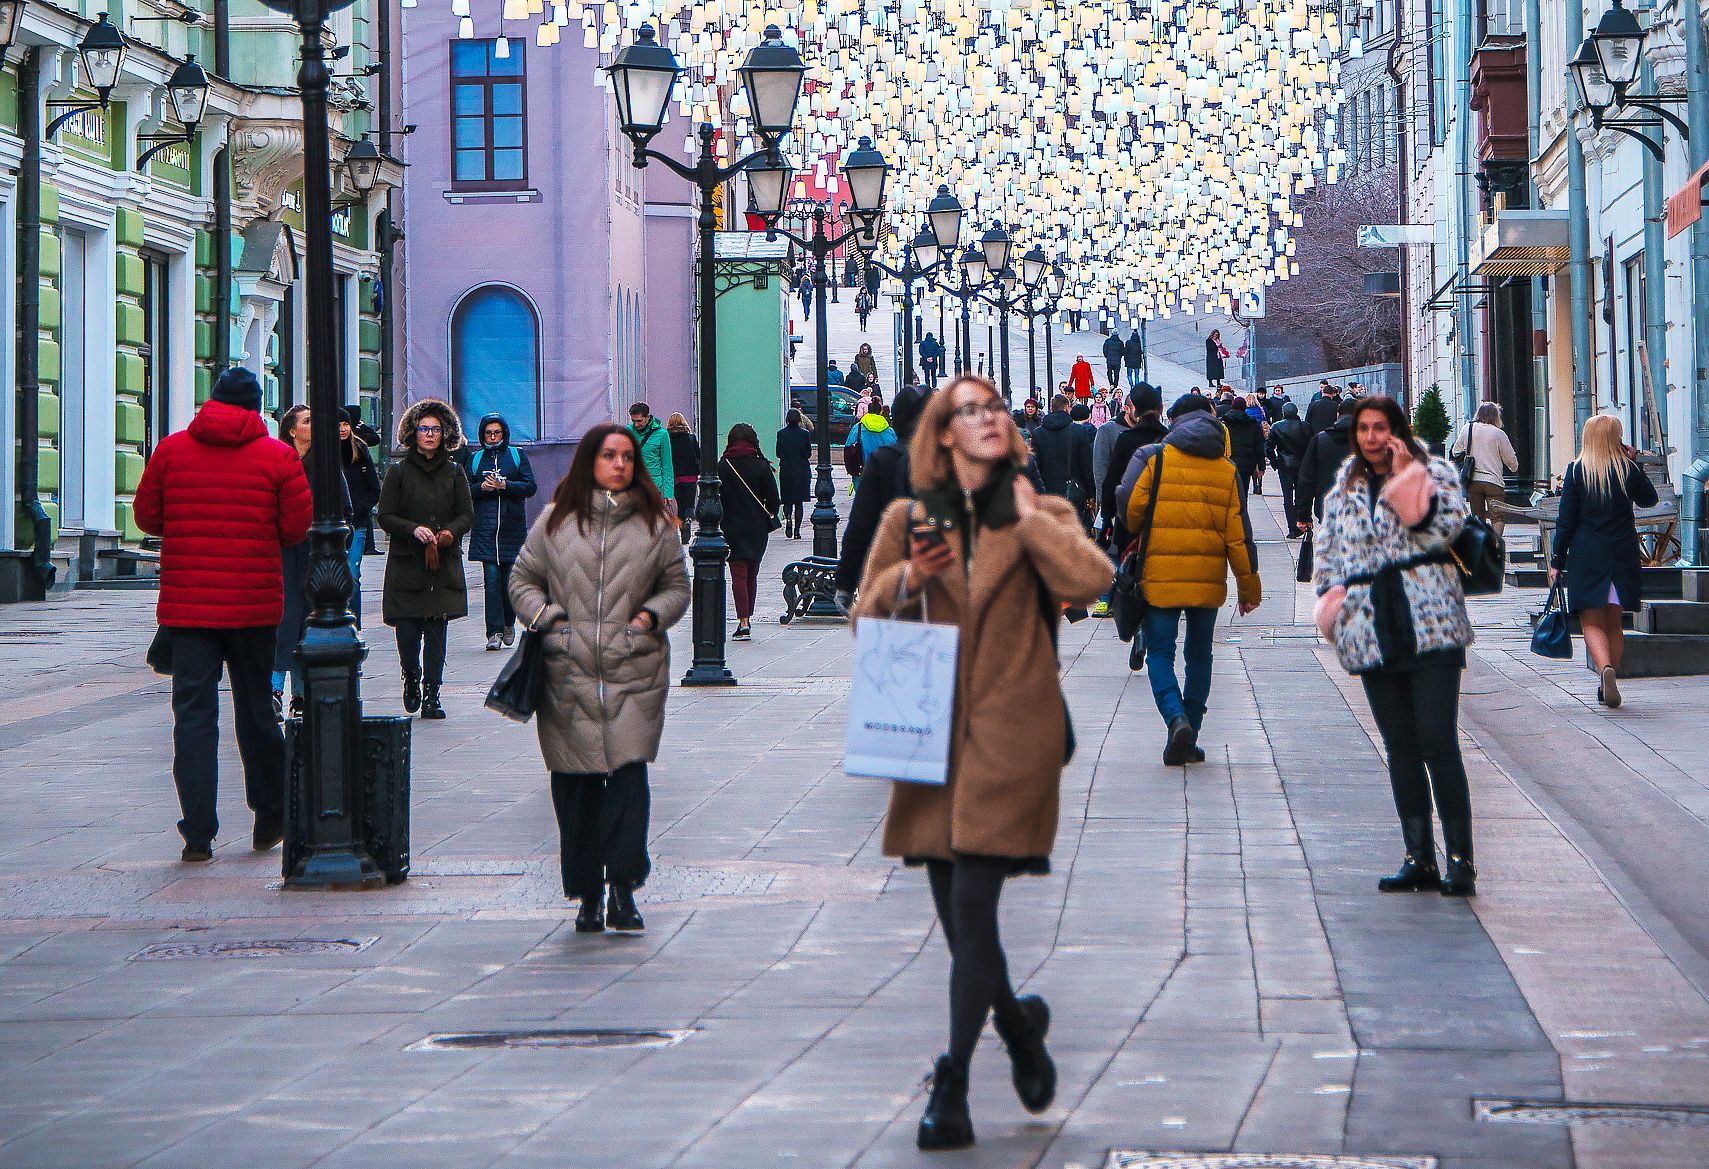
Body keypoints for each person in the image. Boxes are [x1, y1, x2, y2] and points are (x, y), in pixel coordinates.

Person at [852, 374, 1111, 1151]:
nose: (981, 422)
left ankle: (954, 1082)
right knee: (962, 920)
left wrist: (1031, 523)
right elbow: (866, 612)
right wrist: (912, 575)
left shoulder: (1041, 512)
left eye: (991, 411)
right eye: (965, 413)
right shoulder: (909, 517)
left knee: (971, 905)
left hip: (1011, 732)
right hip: (927, 734)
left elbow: (1092, 582)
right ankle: (1018, 1028)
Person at [509, 423, 690, 934]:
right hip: (568, 674)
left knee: (629, 785)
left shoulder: (656, 527)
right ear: (590, 460)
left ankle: (625, 891)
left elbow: (677, 586)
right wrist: (549, 619)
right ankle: (587, 892)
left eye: (627, 457)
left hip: (634, 670)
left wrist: (649, 618)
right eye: (609, 455)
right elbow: (522, 580)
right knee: (576, 790)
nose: (619, 465)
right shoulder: (555, 523)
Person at [133, 366, 311, 862]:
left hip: (188, 608)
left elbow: (147, 517)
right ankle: (269, 816)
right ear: (257, 406)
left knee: (193, 716)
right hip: (254, 607)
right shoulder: (278, 458)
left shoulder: (171, 451)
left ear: (211, 402)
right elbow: (296, 528)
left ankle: (197, 832)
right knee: (256, 710)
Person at [1313, 395, 1476, 896]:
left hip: (1431, 626)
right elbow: (1327, 556)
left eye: (1380, 427)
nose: (1371, 438)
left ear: (1397, 430)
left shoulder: (1435, 472)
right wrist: (1334, 606)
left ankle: (1460, 860)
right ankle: (1418, 856)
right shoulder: (1343, 491)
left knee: (1437, 741)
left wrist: (1409, 482)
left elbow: (1444, 528)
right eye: (1363, 429)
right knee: (1400, 748)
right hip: (1371, 627)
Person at [1118, 393, 1261, 765]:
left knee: (1161, 652)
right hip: (1207, 578)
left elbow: (1132, 513)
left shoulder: (1157, 458)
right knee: (1200, 655)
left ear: (1176, 422)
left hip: (1160, 575)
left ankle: (1175, 717)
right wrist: (1249, 586)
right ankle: (1190, 733)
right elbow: (1237, 534)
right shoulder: (1227, 471)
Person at [1551, 414, 1659, 709]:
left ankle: (1604, 671)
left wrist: (1557, 560)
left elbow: (1566, 521)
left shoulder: (1576, 471)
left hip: (1588, 555)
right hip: (1622, 553)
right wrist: (1635, 462)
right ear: (1617, 439)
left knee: (1592, 623)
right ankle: (1611, 675)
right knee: (1614, 623)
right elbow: (1649, 499)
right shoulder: (1627, 470)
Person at [377, 399, 474, 720]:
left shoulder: (454, 471)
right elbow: (386, 516)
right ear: (413, 433)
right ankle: (410, 678)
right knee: (407, 630)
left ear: (445, 433)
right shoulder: (398, 471)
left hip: (441, 566)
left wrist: (449, 533)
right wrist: (412, 529)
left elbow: (466, 514)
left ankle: (433, 693)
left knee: (436, 631)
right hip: (407, 564)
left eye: (435, 429)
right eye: (424, 429)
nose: (429, 435)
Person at [835, 384, 926, 606]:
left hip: (889, 571)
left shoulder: (884, 460)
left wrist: (845, 583)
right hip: (940, 579)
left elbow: (860, 525)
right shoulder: (951, 461)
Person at [466, 412, 538, 650]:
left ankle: (508, 622)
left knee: (509, 583)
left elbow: (530, 487)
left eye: (497, 432)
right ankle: (493, 633)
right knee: (491, 582)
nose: (493, 437)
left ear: (504, 434)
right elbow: (465, 491)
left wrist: (505, 485)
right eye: (488, 433)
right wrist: (482, 487)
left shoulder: (516, 456)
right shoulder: (476, 459)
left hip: (511, 528)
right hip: (486, 530)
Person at [720, 423, 782, 640]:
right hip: (757, 528)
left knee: (738, 573)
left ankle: (743, 621)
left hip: (732, 526)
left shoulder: (724, 465)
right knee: (751, 573)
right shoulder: (762, 466)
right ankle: (747, 617)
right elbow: (774, 501)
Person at [272, 405, 314, 718]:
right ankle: (273, 689)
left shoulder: (325, 464)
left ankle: (300, 695)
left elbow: (347, 508)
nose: (314, 426)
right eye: (307, 421)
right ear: (291, 430)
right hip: (283, 554)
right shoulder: (277, 462)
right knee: (282, 626)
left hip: (315, 556)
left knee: (307, 627)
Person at [1101, 384, 1168, 555]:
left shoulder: (1125, 439)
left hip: (1129, 523)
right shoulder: (1168, 439)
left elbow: (1111, 481)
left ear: (1135, 410)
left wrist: (1107, 518)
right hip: (1162, 520)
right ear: (1160, 409)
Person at [339, 408, 382, 627]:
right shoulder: (322, 454)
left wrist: (363, 509)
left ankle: (354, 624)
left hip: (356, 524)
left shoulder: (360, 451)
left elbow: (374, 488)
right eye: (338, 424)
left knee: (352, 574)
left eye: (345, 424)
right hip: (330, 524)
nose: (343, 428)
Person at [1450, 402, 1520, 534]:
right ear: (1495, 416)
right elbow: (1511, 461)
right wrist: (1513, 467)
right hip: (1494, 482)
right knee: (1497, 518)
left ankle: (1482, 549)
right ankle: (1496, 547)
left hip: (1474, 481)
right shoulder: (1498, 434)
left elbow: (1455, 451)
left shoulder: (1468, 429)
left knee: (1477, 518)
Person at [1295, 396, 1359, 534]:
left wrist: (1304, 515)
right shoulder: (1367, 442)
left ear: (1337, 414)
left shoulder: (1319, 440)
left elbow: (1306, 479)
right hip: (1360, 507)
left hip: (1326, 506)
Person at [1030, 393, 1094, 511]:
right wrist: (1091, 493)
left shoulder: (1038, 433)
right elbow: (1086, 465)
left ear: (1051, 408)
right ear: (1067, 408)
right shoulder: (1079, 431)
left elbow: (1035, 465)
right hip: (1073, 491)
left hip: (1047, 492)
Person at [1266, 400, 1310, 537]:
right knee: (1301, 495)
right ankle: (1300, 522)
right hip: (1302, 465)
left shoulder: (1277, 427)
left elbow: (1268, 448)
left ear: (1284, 412)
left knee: (1287, 497)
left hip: (1284, 465)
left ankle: (1292, 528)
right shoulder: (1305, 426)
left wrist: (1275, 463)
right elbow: (1311, 446)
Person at [1218, 393, 1266, 503]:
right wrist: (1261, 466)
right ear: (1245, 407)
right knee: (1243, 494)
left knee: (1228, 495)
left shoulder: (1224, 422)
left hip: (1228, 463)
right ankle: (1242, 517)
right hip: (1246, 464)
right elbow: (1259, 446)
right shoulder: (1252, 424)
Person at [775, 408, 814, 540]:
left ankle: (789, 521)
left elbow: (778, 453)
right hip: (801, 470)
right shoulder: (805, 434)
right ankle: (797, 531)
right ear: (799, 419)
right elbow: (808, 453)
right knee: (799, 502)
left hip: (786, 470)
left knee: (787, 500)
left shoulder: (781, 434)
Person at [665, 412, 700, 545]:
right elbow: (698, 455)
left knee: (680, 505)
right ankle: (689, 520)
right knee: (689, 503)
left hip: (675, 477)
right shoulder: (690, 438)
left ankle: (683, 534)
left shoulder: (667, 439)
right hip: (690, 476)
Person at [627, 402, 674, 497]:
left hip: (653, 486)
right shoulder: (628, 431)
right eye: (633, 421)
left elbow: (667, 465)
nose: (636, 424)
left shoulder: (662, 434)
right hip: (632, 484)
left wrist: (668, 493)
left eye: (639, 421)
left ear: (648, 417)